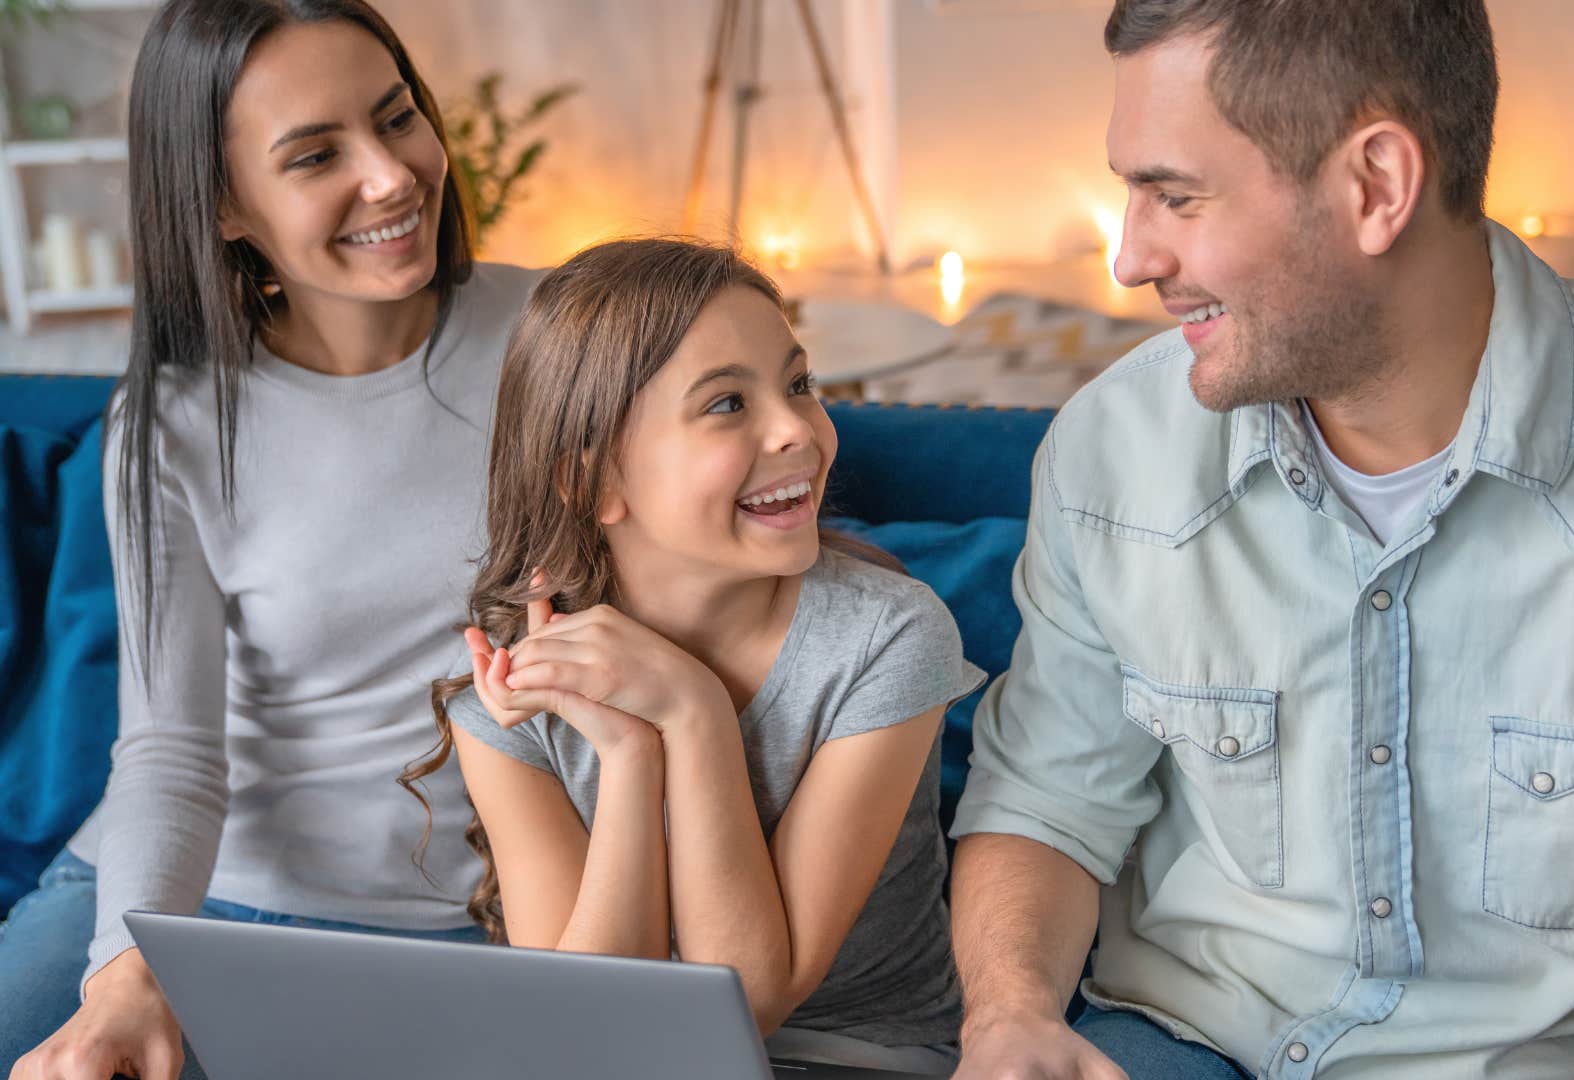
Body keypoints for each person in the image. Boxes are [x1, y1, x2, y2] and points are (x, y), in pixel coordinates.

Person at [947, 2, 1574, 1078]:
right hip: (1189, 1047)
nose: (1131, 258)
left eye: (1175, 195)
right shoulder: (1111, 447)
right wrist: (1009, 1019)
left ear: (1375, 187)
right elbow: (1046, 802)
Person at [2, 3, 541, 1077]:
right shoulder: (173, 420)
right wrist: (130, 963)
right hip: (175, 892)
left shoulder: (562, 337)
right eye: (315, 156)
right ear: (224, 206)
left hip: (449, 915)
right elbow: (171, 746)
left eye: (398, 120)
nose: (390, 177)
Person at [404, 237, 982, 1075]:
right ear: (595, 482)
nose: (798, 430)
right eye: (725, 406)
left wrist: (693, 710)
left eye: (797, 385)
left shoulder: (886, 638)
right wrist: (631, 751)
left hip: (859, 1058)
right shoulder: (515, 698)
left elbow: (749, 998)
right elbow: (585, 1030)